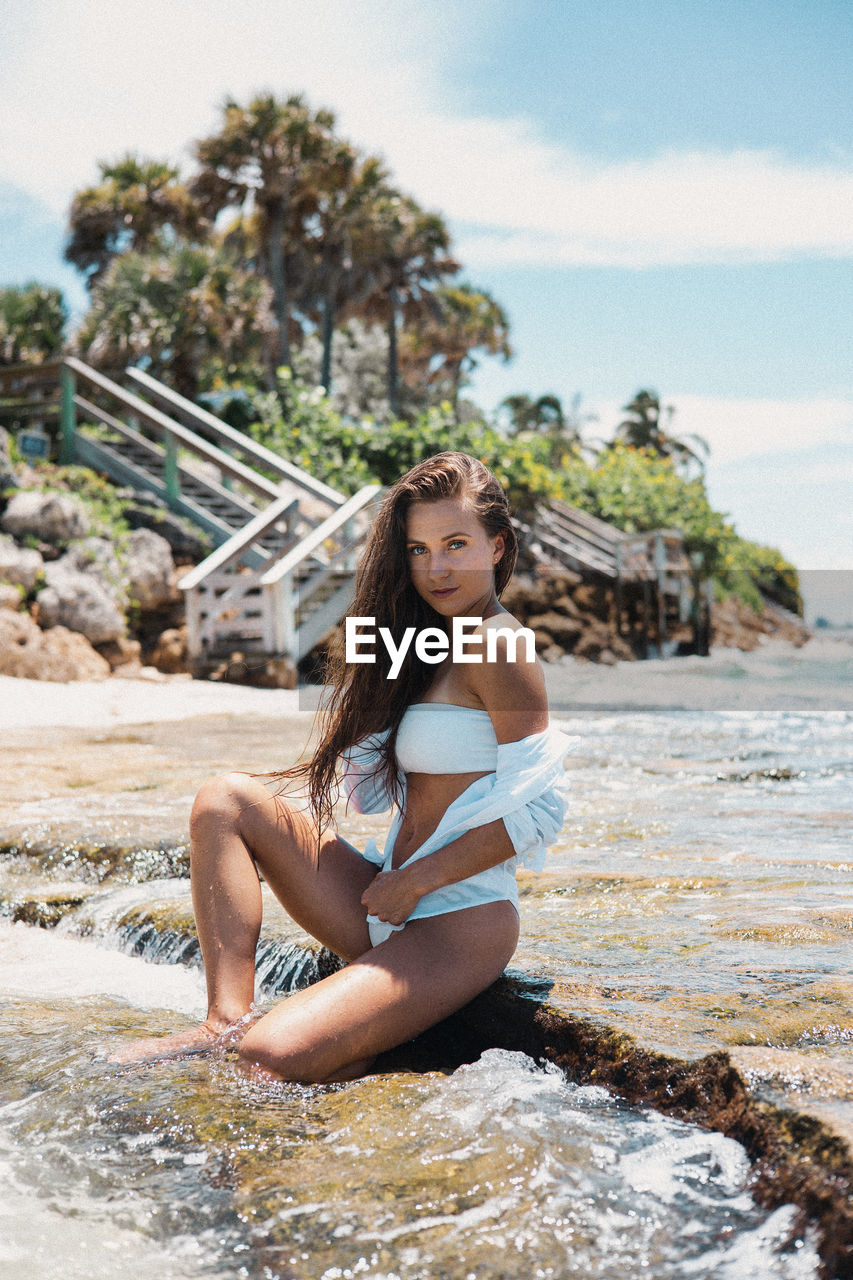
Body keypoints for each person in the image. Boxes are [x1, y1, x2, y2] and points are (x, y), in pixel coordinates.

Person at [110, 452, 570, 1082]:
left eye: (456, 544)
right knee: (224, 800)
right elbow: (373, 789)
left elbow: (542, 808)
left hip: (456, 924)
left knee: (266, 1059)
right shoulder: (426, 643)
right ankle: (224, 1019)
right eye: (418, 549)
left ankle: (352, 1047)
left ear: (498, 547)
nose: (435, 568)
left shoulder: (500, 644)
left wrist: (413, 884)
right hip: (385, 900)